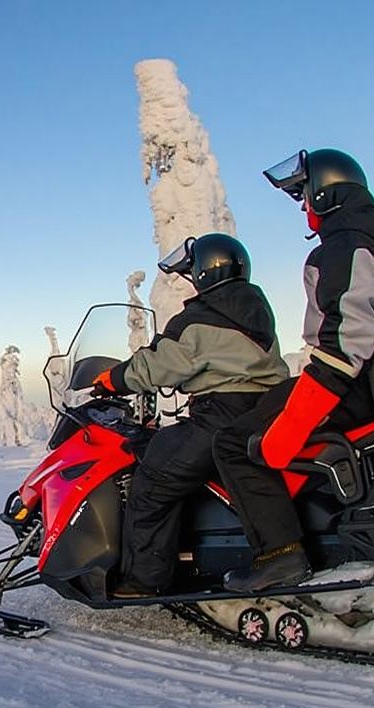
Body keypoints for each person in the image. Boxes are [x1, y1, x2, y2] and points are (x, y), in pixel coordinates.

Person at [211, 148, 374, 593]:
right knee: (273, 401)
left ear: (326, 194)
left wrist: (289, 428)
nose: (304, 207)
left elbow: (342, 349)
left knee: (234, 443)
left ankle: (279, 555)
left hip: (350, 391)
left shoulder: (342, 250)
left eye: (306, 196)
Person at [92, 233, 289, 598]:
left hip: (221, 413)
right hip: (265, 409)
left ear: (204, 272)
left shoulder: (203, 315)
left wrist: (113, 379)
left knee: (153, 479)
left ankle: (143, 581)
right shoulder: (252, 307)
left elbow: (163, 363)